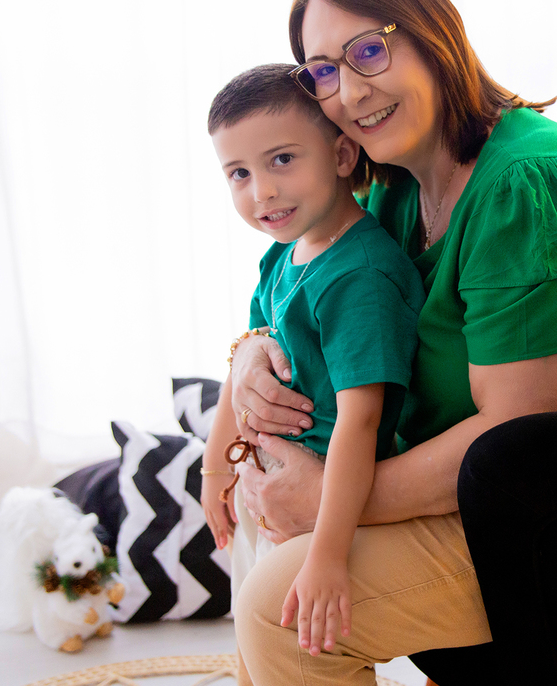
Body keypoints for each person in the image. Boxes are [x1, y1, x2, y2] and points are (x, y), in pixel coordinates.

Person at [226, 0, 557, 685]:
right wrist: (249, 349)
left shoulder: (531, 185)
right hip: (463, 491)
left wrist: (330, 501)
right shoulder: (395, 181)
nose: (351, 91)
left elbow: (518, 444)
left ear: (434, 32)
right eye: (325, 70)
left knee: (281, 609)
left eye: (369, 50)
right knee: (271, 562)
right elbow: (312, 287)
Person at [200, 63, 425, 675]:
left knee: (305, 647)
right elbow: (244, 366)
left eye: (281, 161)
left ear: (343, 154)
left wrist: (328, 555)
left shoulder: (360, 277)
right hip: (270, 487)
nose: (261, 192)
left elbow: (361, 419)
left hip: (326, 508)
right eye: (239, 174)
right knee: (255, 651)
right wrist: (215, 465)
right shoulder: (284, 254)